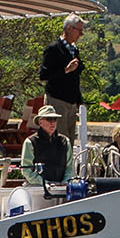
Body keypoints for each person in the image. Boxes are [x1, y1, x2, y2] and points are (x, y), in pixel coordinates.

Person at [38, 14, 87, 142]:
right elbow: (44, 75)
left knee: (69, 140)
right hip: (57, 100)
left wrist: (79, 100)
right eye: (79, 30)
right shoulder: (53, 49)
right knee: (59, 139)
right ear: (69, 28)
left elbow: (75, 77)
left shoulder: (74, 50)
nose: (81, 35)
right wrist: (66, 70)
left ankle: (67, 162)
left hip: (71, 102)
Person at [20, 104, 72, 187]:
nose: (52, 123)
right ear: (40, 122)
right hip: (37, 186)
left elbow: (70, 168)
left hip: (62, 187)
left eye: (55, 119)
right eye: (49, 119)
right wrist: (45, 183)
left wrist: (65, 182)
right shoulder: (30, 142)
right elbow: (26, 171)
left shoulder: (65, 141)